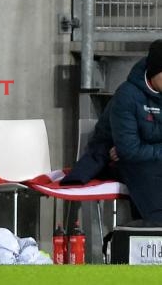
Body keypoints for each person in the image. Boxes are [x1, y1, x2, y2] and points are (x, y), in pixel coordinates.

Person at [62, 39, 162, 222]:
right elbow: (129, 151)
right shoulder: (127, 95)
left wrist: (144, 146)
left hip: (145, 159)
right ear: (154, 72)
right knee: (148, 173)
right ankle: (153, 235)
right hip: (118, 163)